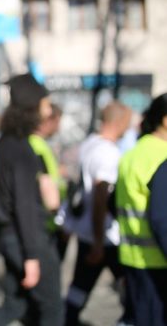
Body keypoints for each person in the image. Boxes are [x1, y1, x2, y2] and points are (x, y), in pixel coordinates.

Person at [0, 73, 63, 326]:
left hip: (11, 236)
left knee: (15, 305)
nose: (48, 111)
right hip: (26, 239)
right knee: (52, 308)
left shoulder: (6, 143)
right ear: (32, 108)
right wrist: (32, 256)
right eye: (45, 105)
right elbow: (25, 205)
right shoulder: (21, 150)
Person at [63, 102, 132, 326]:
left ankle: (67, 319)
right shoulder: (108, 152)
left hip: (88, 231)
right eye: (127, 123)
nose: (128, 128)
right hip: (105, 236)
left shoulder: (90, 144)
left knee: (79, 287)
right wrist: (99, 242)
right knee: (131, 291)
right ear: (118, 122)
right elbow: (100, 198)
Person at [116, 93, 167, 325]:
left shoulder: (132, 153)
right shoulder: (161, 155)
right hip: (159, 260)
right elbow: (161, 217)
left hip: (132, 255)